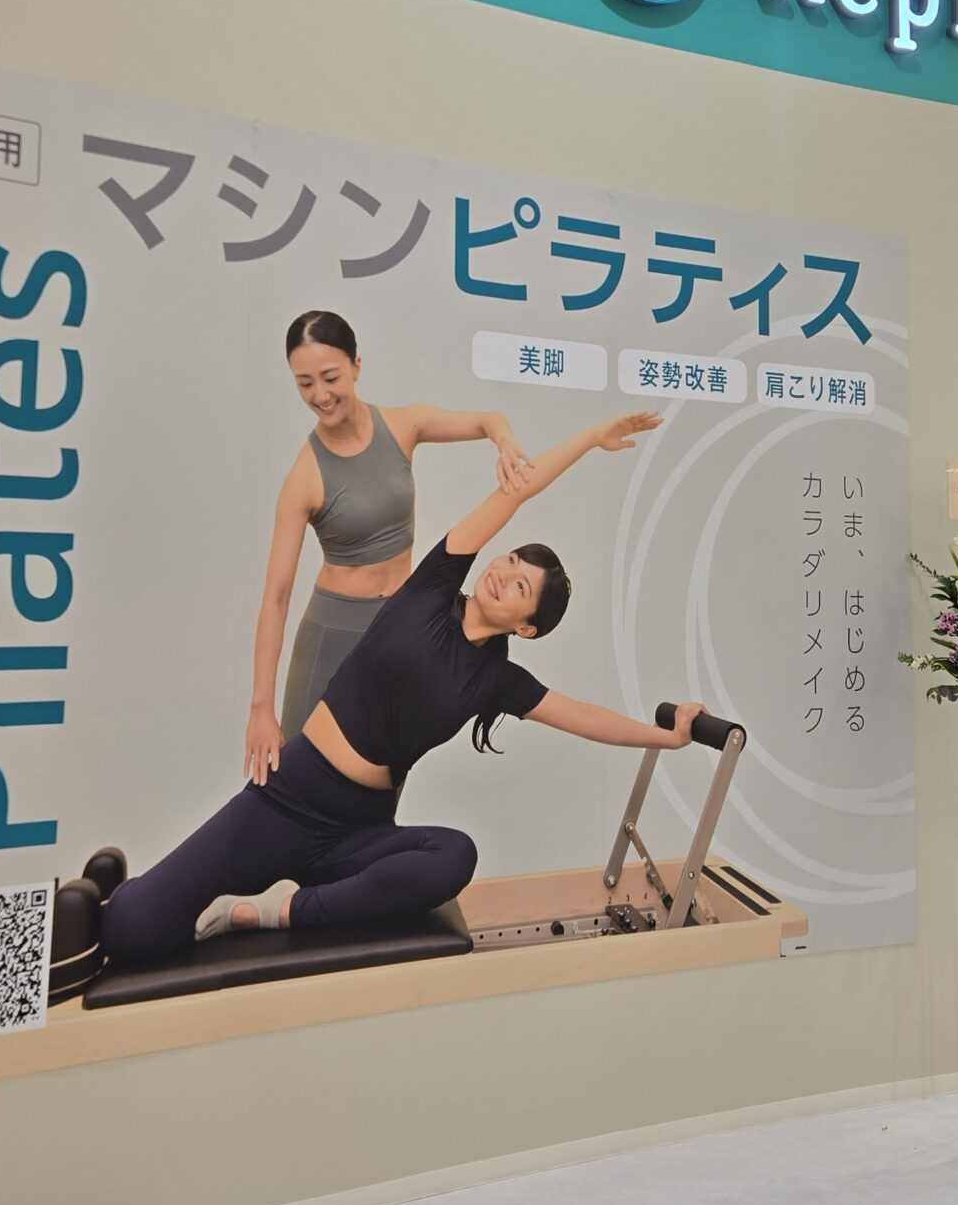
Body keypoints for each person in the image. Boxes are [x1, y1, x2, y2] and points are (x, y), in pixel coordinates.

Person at [83, 408, 700, 973]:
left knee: (454, 856)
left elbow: (585, 717)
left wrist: (667, 737)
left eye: (520, 587)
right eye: (511, 561)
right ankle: (120, 891)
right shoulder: (433, 586)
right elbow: (518, 489)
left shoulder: (496, 681)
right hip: (289, 798)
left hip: (357, 829)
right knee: (131, 928)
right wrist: (589, 438)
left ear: (527, 627)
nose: (503, 573)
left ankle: (272, 911)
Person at [249, 310, 536, 784]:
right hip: (333, 638)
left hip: (401, 630)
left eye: (330, 377)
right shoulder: (304, 477)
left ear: (356, 365)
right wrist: (261, 708)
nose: (320, 395)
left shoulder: (404, 426)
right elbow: (276, 599)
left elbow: (488, 419)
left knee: (382, 779)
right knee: (300, 783)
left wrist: (504, 443)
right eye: (304, 383)